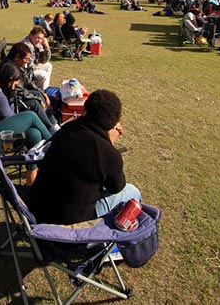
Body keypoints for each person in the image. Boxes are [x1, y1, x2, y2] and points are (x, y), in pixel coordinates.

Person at [30, 90, 141, 224]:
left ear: (85, 110)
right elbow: (117, 187)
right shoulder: (107, 152)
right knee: (132, 191)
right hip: (68, 224)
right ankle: (123, 232)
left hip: (37, 209)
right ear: (114, 123)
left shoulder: (67, 129)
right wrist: (110, 143)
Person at [4, 42, 59, 133]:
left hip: (18, 95)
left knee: (38, 94)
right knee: (35, 102)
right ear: (17, 57)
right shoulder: (10, 69)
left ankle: (54, 124)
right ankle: (51, 129)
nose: (27, 61)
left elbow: (28, 82)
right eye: (26, 59)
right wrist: (38, 98)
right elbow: (19, 90)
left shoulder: (17, 65)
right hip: (12, 100)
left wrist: (43, 93)